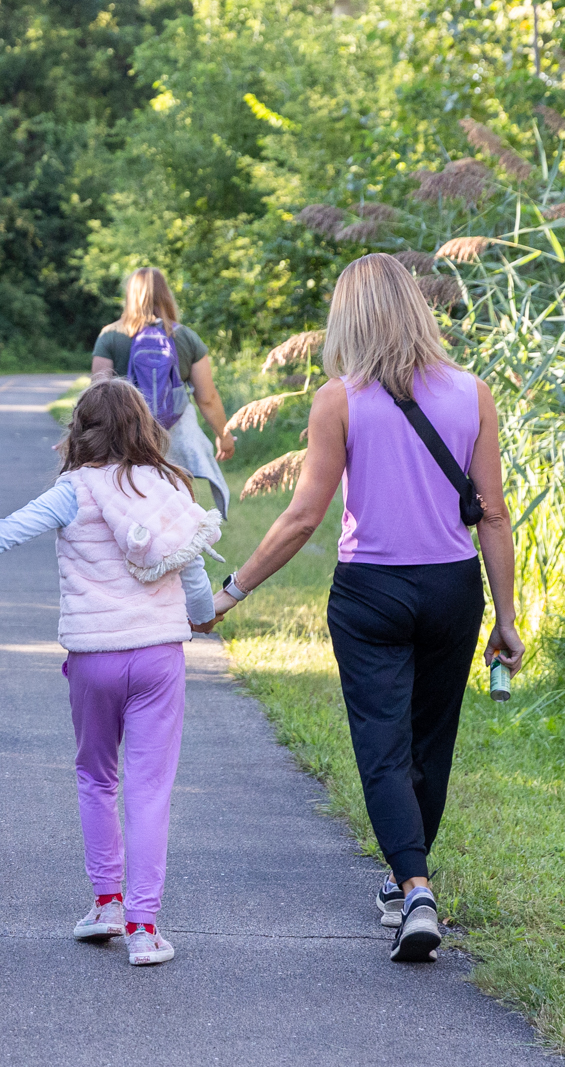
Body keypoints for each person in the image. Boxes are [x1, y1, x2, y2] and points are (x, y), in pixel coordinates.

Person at [206, 254, 525, 962]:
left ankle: (413, 887)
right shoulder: (474, 392)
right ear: (416, 308)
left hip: (370, 593)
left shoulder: (339, 399)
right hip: (450, 588)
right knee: (428, 745)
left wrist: (231, 592)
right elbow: (494, 515)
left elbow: (300, 519)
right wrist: (507, 617)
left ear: (347, 318)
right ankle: (403, 882)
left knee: (383, 747)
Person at [0, 381, 218, 966]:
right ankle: (145, 930)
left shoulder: (73, 489)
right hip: (158, 659)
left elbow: (2, 535)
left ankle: (107, 904)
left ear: (80, 430)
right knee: (150, 789)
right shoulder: (170, 488)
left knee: (97, 778)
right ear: (144, 427)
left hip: (93, 659)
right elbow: (194, 582)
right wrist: (200, 617)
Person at [90, 267, 236, 511]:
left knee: (129, 511)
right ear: (166, 295)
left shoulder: (110, 336)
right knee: (175, 514)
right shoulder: (186, 338)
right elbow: (207, 398)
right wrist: (225, 436)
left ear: (130, 296)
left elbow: (98, 397)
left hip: (125, 442)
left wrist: (82, 438)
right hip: (174, 441)